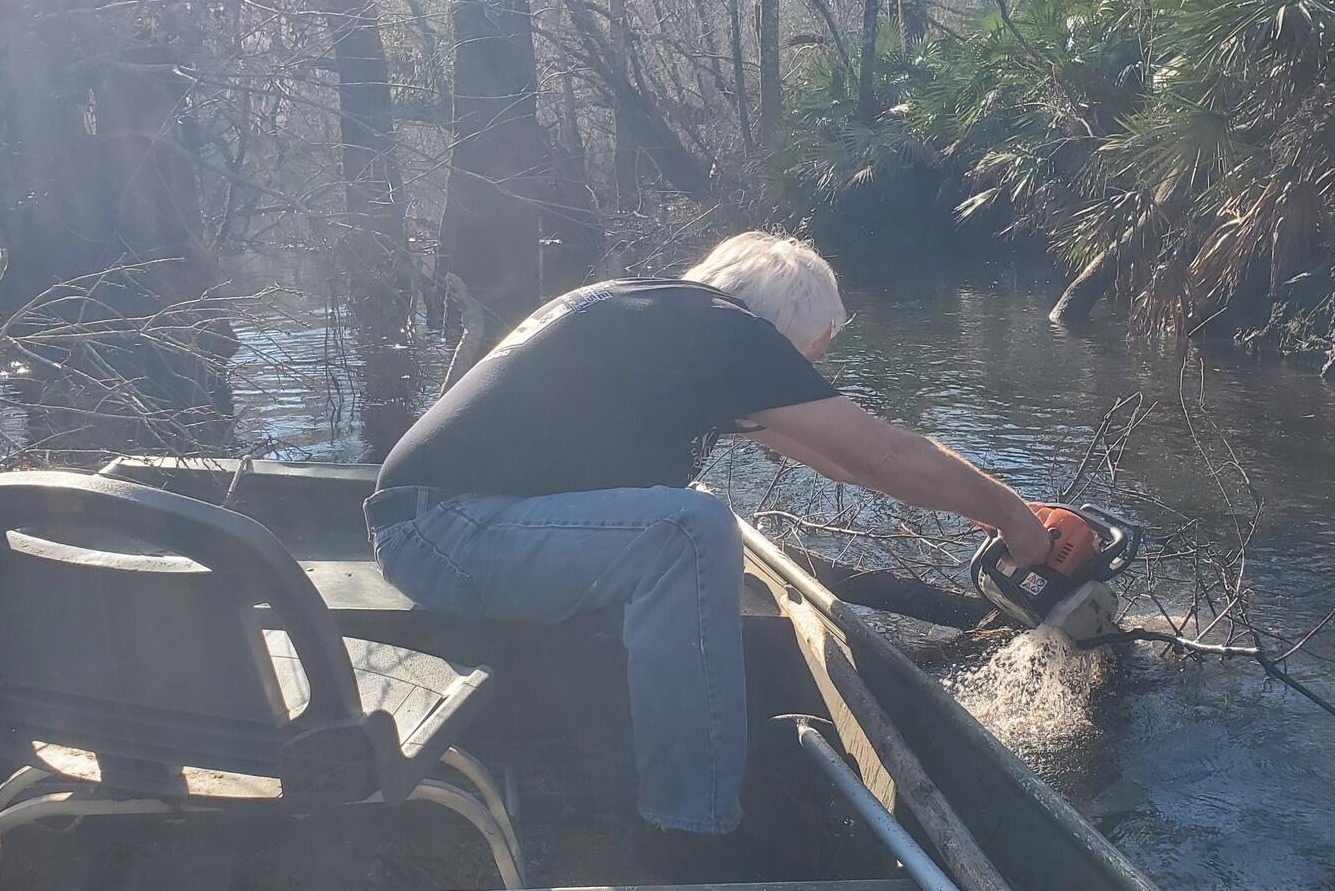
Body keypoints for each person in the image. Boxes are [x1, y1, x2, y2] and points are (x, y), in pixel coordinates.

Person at [365, 231, 1053, 843]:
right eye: (816, 350)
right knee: (691, 531)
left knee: (686, 519)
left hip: (450, 526)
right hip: (445, 532)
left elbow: (847, 460)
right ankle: (690, 822)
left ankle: (661, 768)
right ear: (782, 323)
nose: (814, 369)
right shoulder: (721, 330)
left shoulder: (666, 320)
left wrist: (986, 505)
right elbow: (883, 454)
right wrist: (1017, 518)